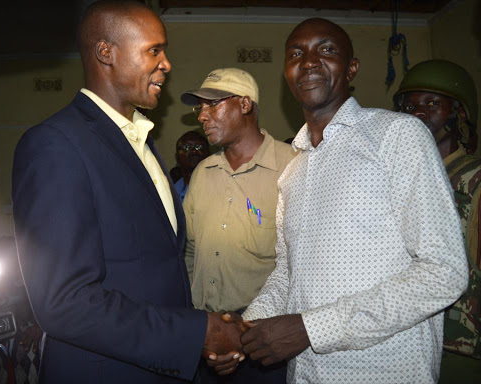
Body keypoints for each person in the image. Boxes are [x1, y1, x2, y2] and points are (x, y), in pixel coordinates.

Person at [217, 18, 469, 384]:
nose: (309, 61)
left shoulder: (397, 136)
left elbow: (443, 272)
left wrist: (310, 329)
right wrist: (245, 330)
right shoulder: (293, 171)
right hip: (304, 373)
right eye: (296, 53)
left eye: (327, 50)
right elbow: (288, 276)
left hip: (386, 372)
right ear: (287, 73)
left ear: (351, 68)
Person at [11, 1, 243, 383]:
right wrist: (191, 334)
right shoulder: (55, 143)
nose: (166, 63)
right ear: (107, 52)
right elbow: (63, 301)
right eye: (154, 50)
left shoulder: (142, 142)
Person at [181, 68, 296, 383]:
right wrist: (200, 324)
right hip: (206, 340)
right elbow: (191, 252)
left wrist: (245, 330)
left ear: (245, 105)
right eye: (199, 108)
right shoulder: (203, 173)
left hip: (265, 346)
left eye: (213, 105)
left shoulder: (294, 168)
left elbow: (305, 268)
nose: (202, 116)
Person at [394, 60, 481, 373]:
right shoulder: (400, 178)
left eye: (433, 103)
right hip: (407, 338)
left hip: (460, 348)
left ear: (458, 114)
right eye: (409, 105)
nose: (418, 112)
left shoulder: (474, 180)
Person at [173, 131, 210, 202]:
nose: (194, 151)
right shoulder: (171, 192)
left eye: (199, 147)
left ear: (208, 154)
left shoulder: (219, 186)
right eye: (186, 147)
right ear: (177, 157)